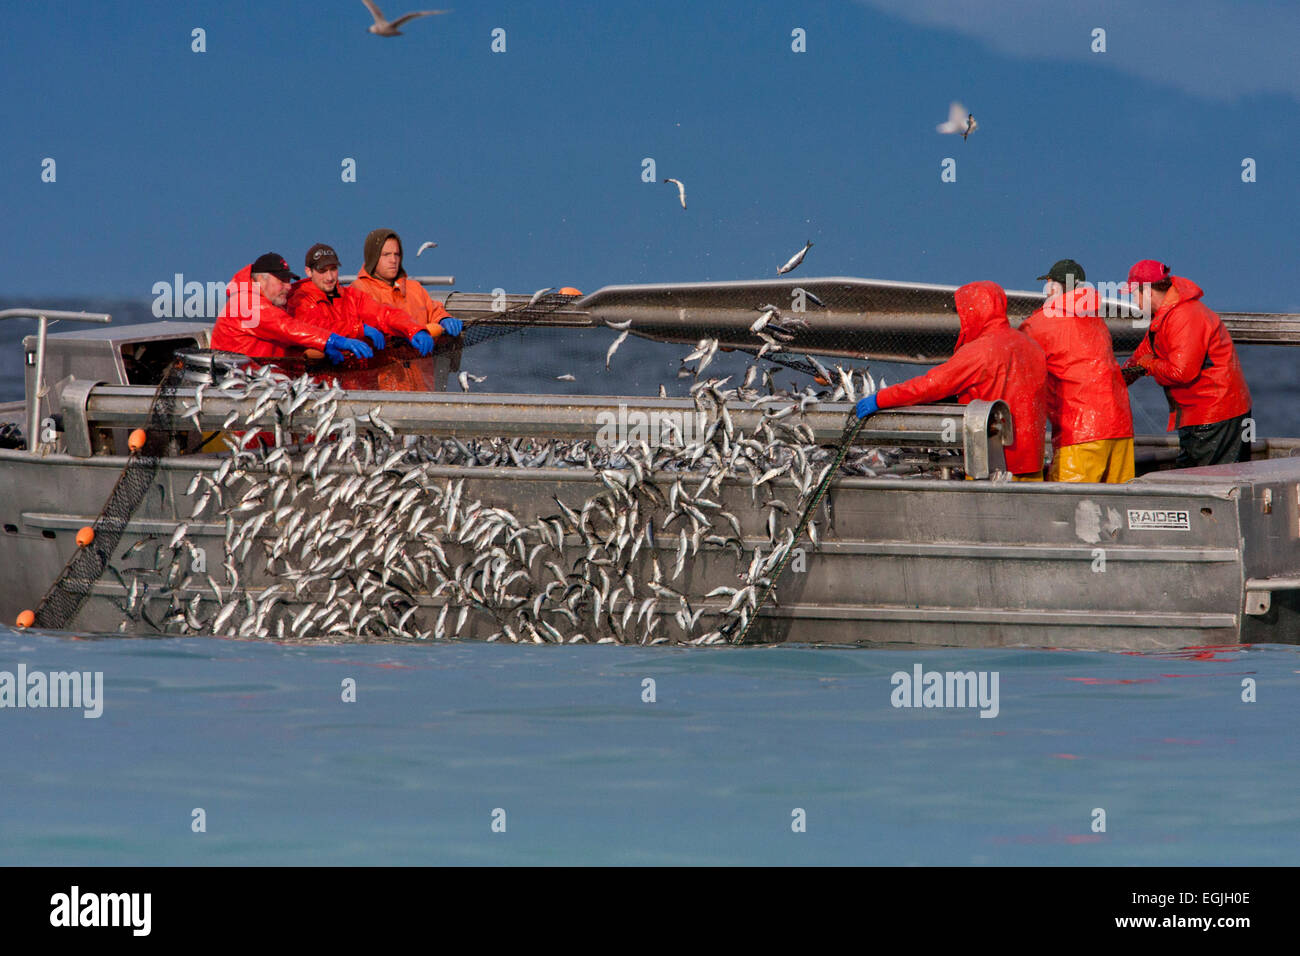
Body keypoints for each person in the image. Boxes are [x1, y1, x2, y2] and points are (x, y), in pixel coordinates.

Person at [856, 280, 1048, 479]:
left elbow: (930, 385)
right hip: (1031, 461)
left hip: (993, 464)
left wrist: (880, 399)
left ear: (974, 312)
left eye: (963, 312)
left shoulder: (980, 351)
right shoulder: (1031, 346)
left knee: (984, 511)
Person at [1119, 260, 1252, 468]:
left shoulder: (1184, 316)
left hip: (1214, 417)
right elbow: (1139, 358)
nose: (1133, 300)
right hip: (1206, 415)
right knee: (1200, 477)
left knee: (1209, 482)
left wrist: (1150, 365)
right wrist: (1109, 381)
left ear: (1147, 291)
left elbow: (1181, 372)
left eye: (1133, 293)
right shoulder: (1166, 317)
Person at [1019, 259, 1134, 482]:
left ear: (1053, 286)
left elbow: (1017, 369)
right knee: (1118, 506)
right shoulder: (1095, 319)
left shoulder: (1038, 324)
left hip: (1080, 432)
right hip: (1121, 428)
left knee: (1067, 509)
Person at [211, 253, 373, 362]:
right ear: (260, 279)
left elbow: (283, 344)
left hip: (265, 384)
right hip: (240, 389)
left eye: (288, 281)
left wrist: (315, 350)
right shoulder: (245, 302)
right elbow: (287, 327)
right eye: (282, 280)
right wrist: (333, 340)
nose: (288, 287)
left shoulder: (270, 305)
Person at [288, 243, 435, 358]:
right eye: (322, 271)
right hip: (313, 388)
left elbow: (383, 313)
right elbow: (309, 327)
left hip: (353, 387)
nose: (330, 277)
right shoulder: (299, 300)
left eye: (333, 269)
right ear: (308, 271)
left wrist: (413, 329)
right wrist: (359, 330)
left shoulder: (351, 297)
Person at [350, 228, 464, 342]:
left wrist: (443, 319)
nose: (393, 260)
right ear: (372, 257)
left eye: (397, 254)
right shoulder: (358, 289)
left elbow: (433, 311)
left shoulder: (415, 288)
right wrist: (410, 330)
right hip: (383, 359)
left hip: (422, 358)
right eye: (386, 255)